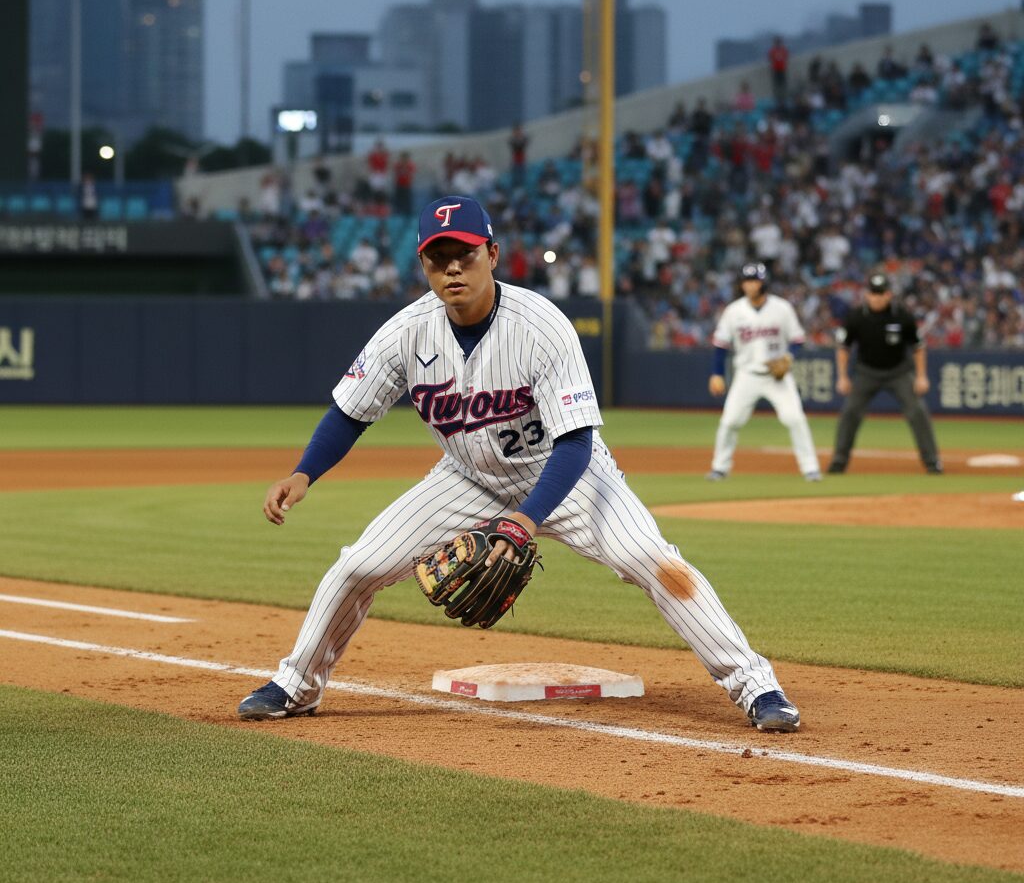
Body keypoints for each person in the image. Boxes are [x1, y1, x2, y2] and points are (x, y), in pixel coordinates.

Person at [237, 195, 802, 732]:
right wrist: (303, 472)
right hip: (467, 479)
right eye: (439, 258)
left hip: (568, 474)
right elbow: (349, 413)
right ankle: (296, 685)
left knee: (652, 559)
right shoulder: (405, 333)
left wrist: (525, 520)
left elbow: (576, 444)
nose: (453, 269)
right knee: (358, 566)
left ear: (493, 254)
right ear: (423, 266)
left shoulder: (541, 325)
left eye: (465, 255)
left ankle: (756, 685)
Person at [706, 262, 822, 482]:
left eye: (754, 280)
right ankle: (719, 468)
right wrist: (717, 373)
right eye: (747, 281)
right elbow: (721, 345)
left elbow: (797, 339)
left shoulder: (782, 308)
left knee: (795, 419)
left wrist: (788, 357)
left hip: (777, 377)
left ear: (764, 282)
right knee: (729, 422)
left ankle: (810, 468)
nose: (750, 285)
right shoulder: (734, 311)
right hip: (746, 375)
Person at [827, 272, 942, 475]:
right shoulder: (856, 316)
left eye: (881, 293)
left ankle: (932, 462)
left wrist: (922, 376)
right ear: (867, 294)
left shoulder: (902, 315)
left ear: (889, 294)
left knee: (917, 411)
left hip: (898, 372)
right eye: (873, 293)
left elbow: (918, 346)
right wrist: (843, 376)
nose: (876, 298)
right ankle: (839, 461)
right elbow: (843, 347)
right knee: (850, 412)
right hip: (866, 372)